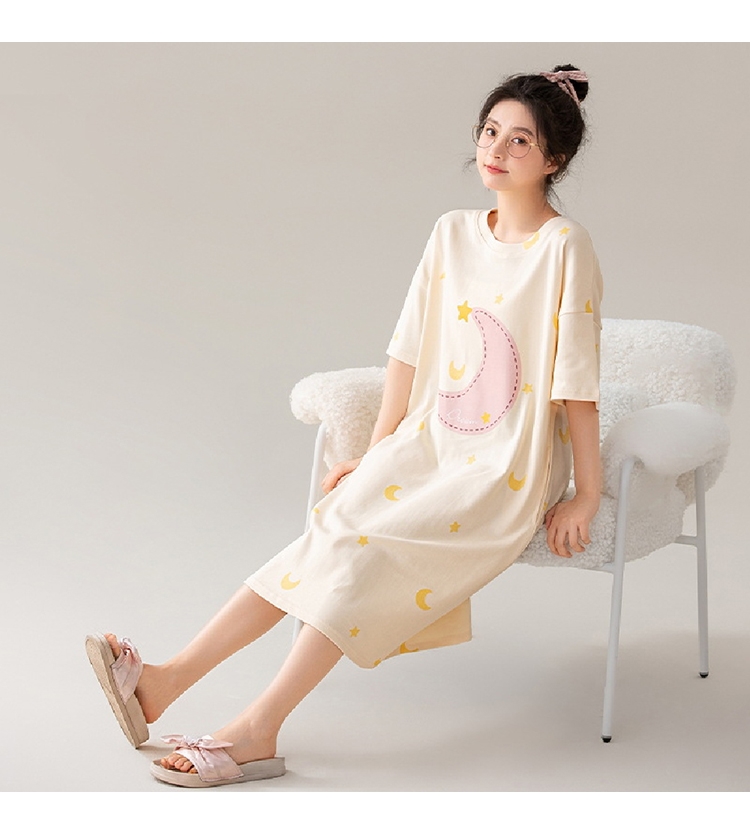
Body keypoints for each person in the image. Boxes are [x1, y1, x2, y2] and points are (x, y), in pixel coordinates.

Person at [86, 64, 603, 788]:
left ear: (555, 159)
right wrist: (378, 450)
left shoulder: (564, 247)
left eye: (521, 140)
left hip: (504, 465)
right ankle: (163, 683)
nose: (496, 150)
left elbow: (577, 381)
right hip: (431, 442)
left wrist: (584, 493)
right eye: (490, 131)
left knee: (363, 548)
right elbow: (408, 349)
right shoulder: (452, 232)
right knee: (330, 527)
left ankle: (257, 730)